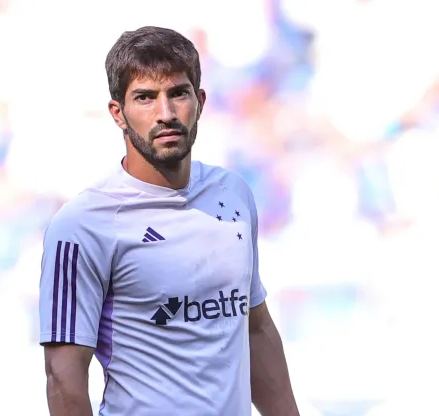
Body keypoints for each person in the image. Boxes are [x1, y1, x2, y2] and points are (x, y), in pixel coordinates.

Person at [39, 26, 299, 416]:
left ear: (200, 101)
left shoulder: (233, 194)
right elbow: (64, 375)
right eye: (145, 97)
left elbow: (256, 329)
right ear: (118, 113)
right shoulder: (83, 224)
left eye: (178, 93)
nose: (166, 113)